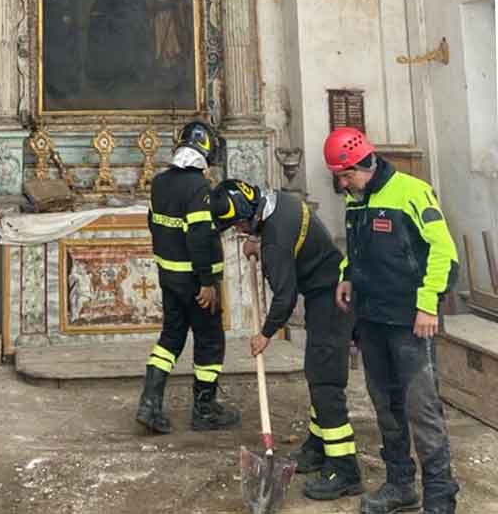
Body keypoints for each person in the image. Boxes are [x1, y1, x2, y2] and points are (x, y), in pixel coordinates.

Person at [324, 127, 460, 514]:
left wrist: (428, 303)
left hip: (410, 322)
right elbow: (360, 250)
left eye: (346, 175)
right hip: (371, 320)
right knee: (386, 407)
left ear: (362, 163)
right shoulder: (357, 199)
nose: (343, 184)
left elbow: (443, 251)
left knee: (422, 409)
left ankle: (439, 496)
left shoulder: (412, 192)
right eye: (340, 178)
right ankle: (401, 485)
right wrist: (347, 275)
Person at [210, 179, 363, 501]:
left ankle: (344, 468)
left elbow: (285, 296)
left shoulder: (275, 241)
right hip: (329, 292)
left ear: (249, 213)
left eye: (237, 224)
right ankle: (317, 448)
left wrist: (265, 334)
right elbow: (276, 233)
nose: (236, 229)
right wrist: (255, 237)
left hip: (332, 301)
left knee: (325, 382)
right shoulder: (279, 202)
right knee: (317, 374)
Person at [136, 121, 240, 434]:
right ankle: (204, 410)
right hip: (197, 283)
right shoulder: (198, 187)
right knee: (209, 341)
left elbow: (155, 225)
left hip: (169, 277)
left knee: (170, 338)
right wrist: (207, 282)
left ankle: (149, 404)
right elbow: (198, 237)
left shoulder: (160, 182)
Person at [86, 0, 151, 90]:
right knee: (114, 52)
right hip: (113, 25)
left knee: (131, 49)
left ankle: (129, 75)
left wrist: (137, 15)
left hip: (131, 24)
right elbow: (100, 6)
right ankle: (113, 78)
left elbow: (140, 3)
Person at [44, 0, 83, 101]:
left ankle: (71, 87)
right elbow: (49, 4)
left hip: (70, 27)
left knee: (71, 57)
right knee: (56, 58)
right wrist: (62, 15)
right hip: (54, 27)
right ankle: (55, 90)